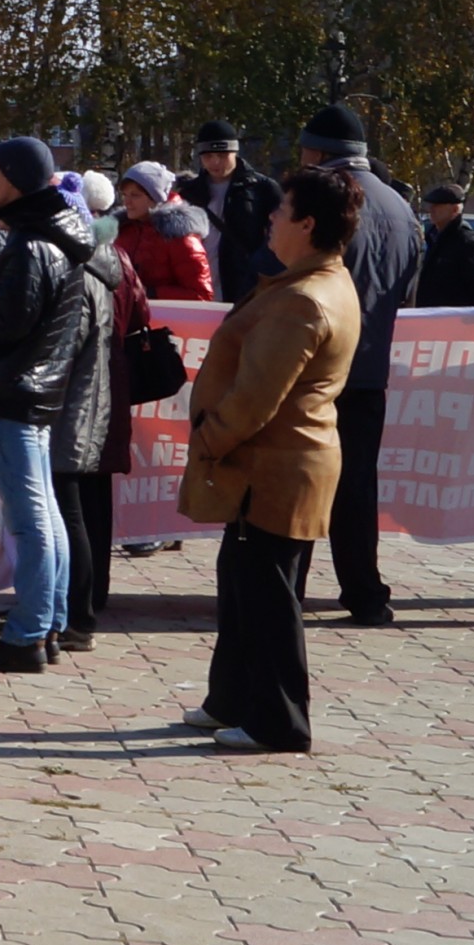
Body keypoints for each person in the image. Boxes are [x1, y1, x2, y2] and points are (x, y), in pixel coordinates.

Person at [180, 163, 363, 753]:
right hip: (273, 463)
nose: (270, 219)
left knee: (269, 594)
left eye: (281, 212)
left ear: (307, 224)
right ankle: (229, 699)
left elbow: (258, 397)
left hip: (277, 465)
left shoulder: (304, 299)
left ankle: (279, 722)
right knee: (242, 584)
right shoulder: (310, 282)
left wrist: (210, 438)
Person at [0, 137, 94, 671]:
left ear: (14, 179)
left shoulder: (33, 245)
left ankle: (28, 632)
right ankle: (44, 624)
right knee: (44, 514)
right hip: (33, 391)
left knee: (30, 518)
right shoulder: (51, 236)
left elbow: (6, 324)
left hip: (16, 392)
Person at [292, 105, 421, 627]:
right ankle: (365, 592)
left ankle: (286, 588)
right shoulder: (402, 208)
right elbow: (409, 295)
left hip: (314, 367)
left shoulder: (325, 201)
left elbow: (293, 277)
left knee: (296, 479)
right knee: (357, 485)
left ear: (320, 153)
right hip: (370, 371)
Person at [51, 179, 132, 653]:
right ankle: (74, 609)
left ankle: (77, 615)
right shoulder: (102, 266)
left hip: (73, 408)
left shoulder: (81, 274)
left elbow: (63, 348)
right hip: (88, 403)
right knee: (76, 510)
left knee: (71, 513)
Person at [186, 125, 281, 302]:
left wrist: (262, 268)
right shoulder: (188, 192)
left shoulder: (262, 188)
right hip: (201, 283)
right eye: (208, 156)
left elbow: (281, 235)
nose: (215, 162)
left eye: (222, 156)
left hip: (245, 284)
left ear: (235, 153)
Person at [117, 163, 216, 302]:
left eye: (135, 195)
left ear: (156, 199)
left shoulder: (180, 235)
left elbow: (201, 295)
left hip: (168, 321)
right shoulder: (123, 230)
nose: (127, 202)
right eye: (124, 195)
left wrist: (149, 293)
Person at [413, 185, 474, 309]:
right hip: (428, 314)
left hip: (451, 317)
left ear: (455, 210)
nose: (431, 209)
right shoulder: (431, 237)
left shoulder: (464, 241)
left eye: (438, 205)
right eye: (431, 205)